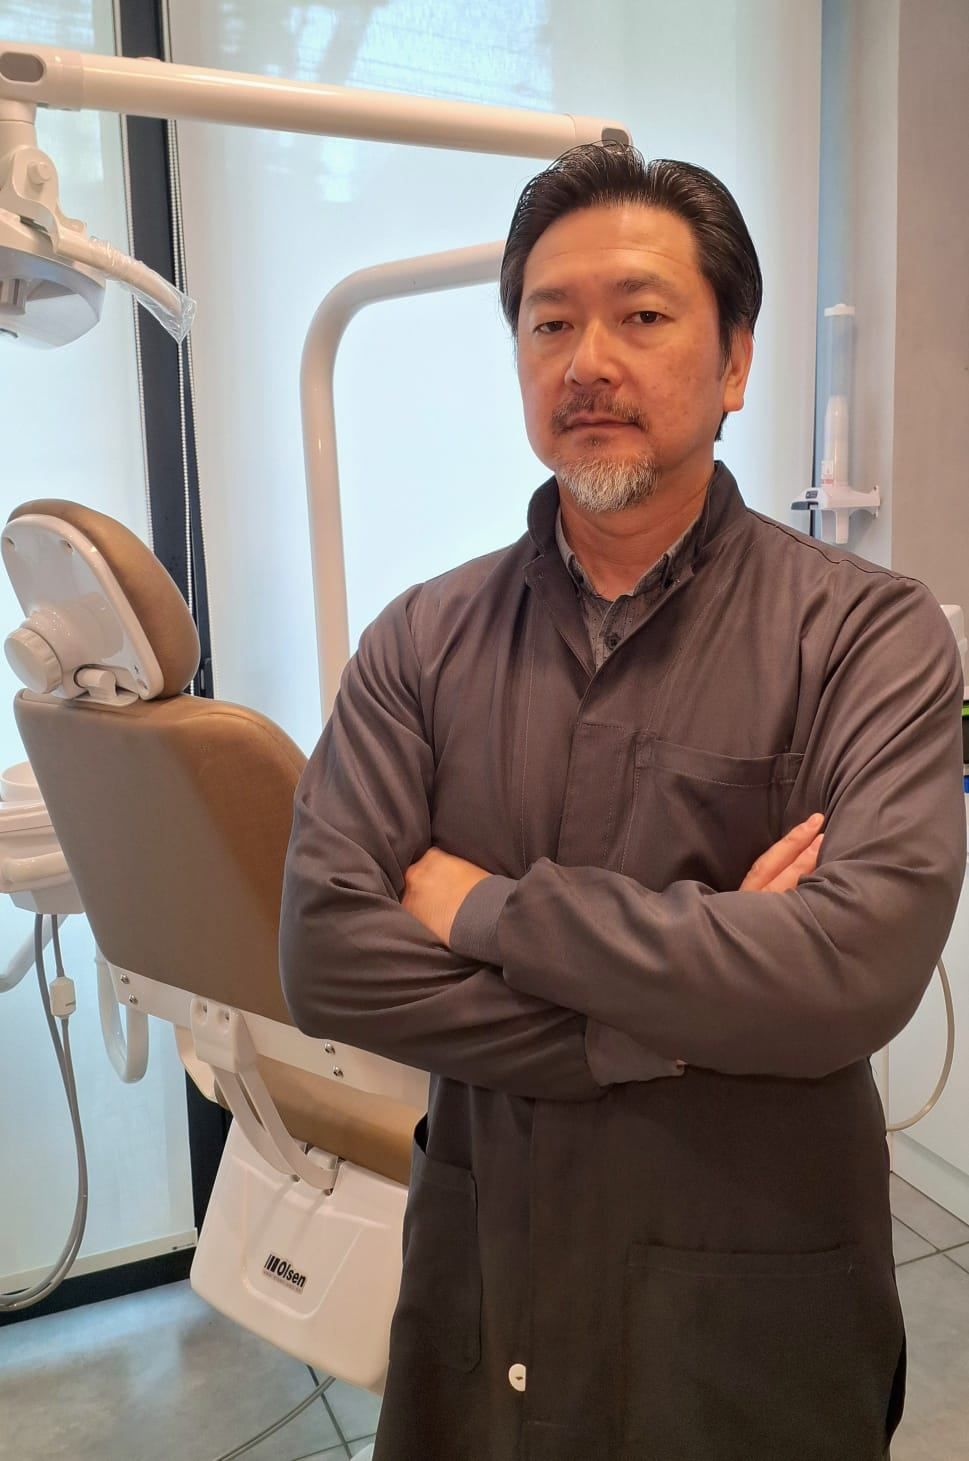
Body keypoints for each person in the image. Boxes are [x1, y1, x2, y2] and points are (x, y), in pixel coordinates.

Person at [279, 144, 966, 1460]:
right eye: (550, 323)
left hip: (749, 1298)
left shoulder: (865, 636)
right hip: (490, 1271)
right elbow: (327, 955)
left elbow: (850, 966)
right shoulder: (422, 641)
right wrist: (664, 1023)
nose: (587, 360)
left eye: (642, 315)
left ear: (735, 362)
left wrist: (483, 909)